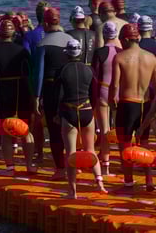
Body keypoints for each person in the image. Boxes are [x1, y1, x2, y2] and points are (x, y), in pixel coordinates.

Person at [0, 19, 36, 174]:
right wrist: (34, 98)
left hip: (2, 92)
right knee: (26, 130)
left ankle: (10, 167)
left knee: (6, 132)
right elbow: (30, 76)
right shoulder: (22, 51)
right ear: (14, 33)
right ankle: (29, 165)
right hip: (22, 91)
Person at [55, 38, 104, 198]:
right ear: (80, 52)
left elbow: (58, 96)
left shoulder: (61, 70)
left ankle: (72, 191)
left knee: (70, 153)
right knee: (91, 150)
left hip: (69, 111)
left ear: (67, 54)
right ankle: (100, 183)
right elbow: (94, 94)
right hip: (86, 110)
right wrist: (94, 111)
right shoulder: (89, 70)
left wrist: (57, 113)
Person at [111, 24, 156, 190]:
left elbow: (114, 86)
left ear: (126, 39)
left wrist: (111, 102)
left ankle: (128, 181)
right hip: (145, 104)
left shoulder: (120, 57)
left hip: (127, 104)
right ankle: (149, 181)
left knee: (125, 144)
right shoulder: (151, 58)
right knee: (144, 144)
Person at [30, 7, 73, 178]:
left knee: (55, 131)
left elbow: (39, 73)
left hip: (51, 90)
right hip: (71, 89)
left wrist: (36, 96)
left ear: (46, 23)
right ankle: (74, 165)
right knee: (71, 129)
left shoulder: (43, 44)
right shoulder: (71, 40)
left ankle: (61, 169)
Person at [91, 22, 122, 175]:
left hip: (103, 89)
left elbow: (94, 76)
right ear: (116, 35)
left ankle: (106, 166)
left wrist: (93, 97)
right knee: (120, 130)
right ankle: (123, 163)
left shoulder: (99, 52)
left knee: (105, 130)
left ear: (104, 34)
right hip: (118, 92)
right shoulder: (120, 51)